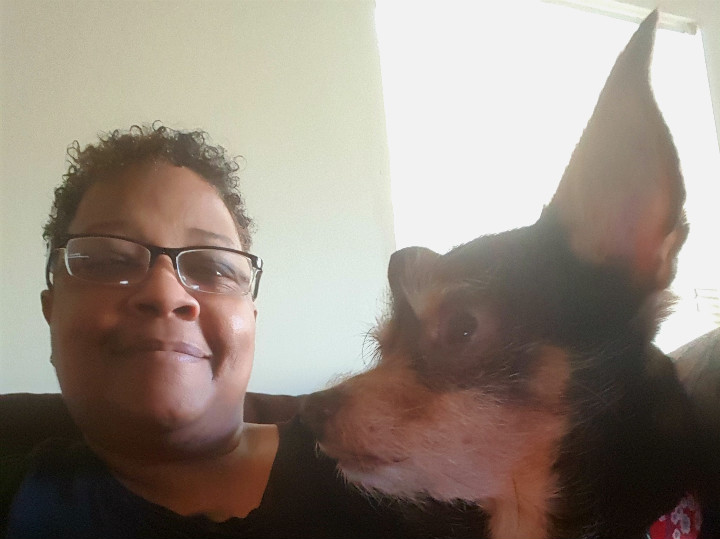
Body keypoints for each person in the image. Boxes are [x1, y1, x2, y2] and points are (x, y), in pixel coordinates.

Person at [0, 124, 483, 538]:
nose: (167, 294)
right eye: (109, 261)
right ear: (51, 311)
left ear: (251, 319)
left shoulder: (423, 473)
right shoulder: (20, 504)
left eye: (212, 268)